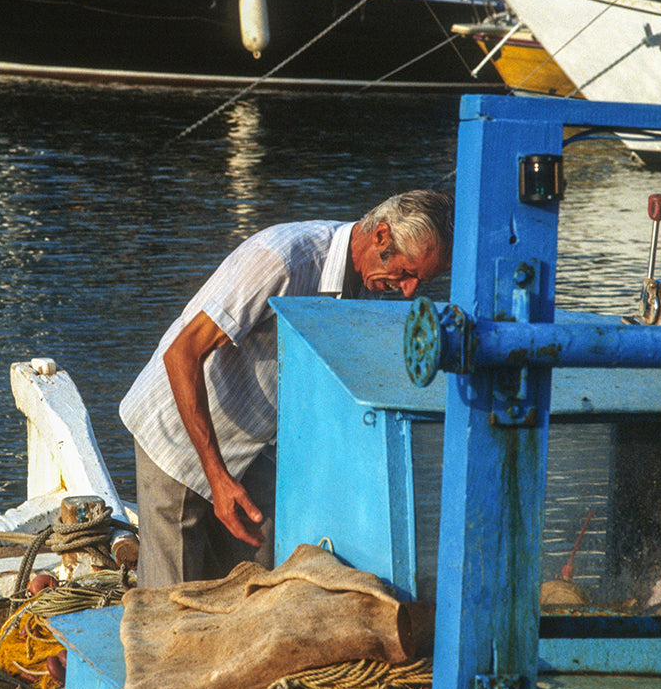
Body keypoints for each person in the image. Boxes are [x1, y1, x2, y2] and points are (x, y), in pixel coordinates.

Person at [119, 189, 454, 588]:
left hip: (251, 444)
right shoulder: (284, 258)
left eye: (422, 281)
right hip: (176, 433)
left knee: (265, 575)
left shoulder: (370, 288)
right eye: (406, 272)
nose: (409, 291)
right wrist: (216, 478)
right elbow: (181, 355)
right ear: (381, 236)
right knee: (174, 597)